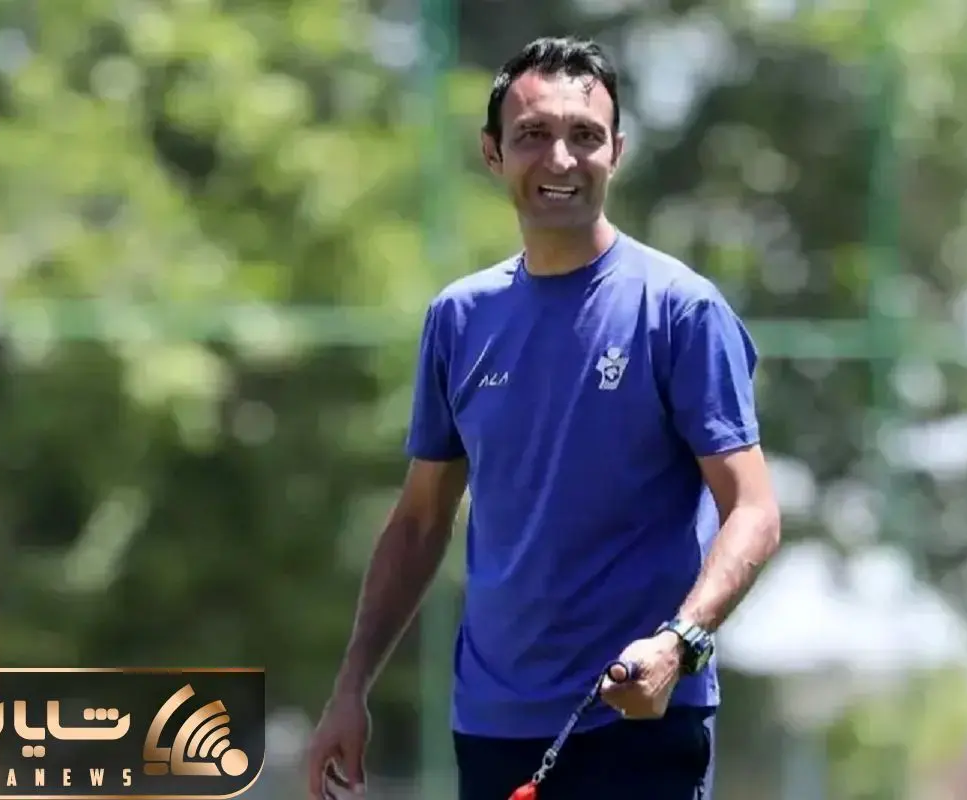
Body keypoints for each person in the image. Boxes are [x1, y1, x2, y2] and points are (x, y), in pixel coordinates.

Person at [305, 35, 781, 799]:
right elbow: (420, 521)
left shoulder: (680, 309)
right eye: (533, 134)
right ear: (492, 153)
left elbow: (753, 510)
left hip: (638, 718)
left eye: (585, 135)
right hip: (493, 726)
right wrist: (350, 688)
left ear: (616, 152)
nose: (561, 158)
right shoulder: (459, 319)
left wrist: (678, 644)